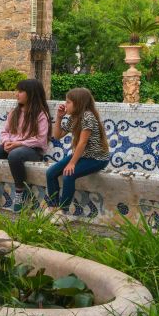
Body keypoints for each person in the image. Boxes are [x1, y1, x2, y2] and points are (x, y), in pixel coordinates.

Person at [0, 78, 51, 212]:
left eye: (21, 91)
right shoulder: (15, 112)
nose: (17, 94)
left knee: (15, 156)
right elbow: (5, 131)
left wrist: (18, 143)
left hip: (32, 150)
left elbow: (40, 139)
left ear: (31, 93)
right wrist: (6, 142)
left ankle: (21, 192)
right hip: (12, 146)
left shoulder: (41, 114)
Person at [45, 87, 111, 222]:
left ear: (78, 103)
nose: (65, 104)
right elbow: (57, 136)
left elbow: (82, 143)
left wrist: (72, 163)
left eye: (68, 102)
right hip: (83, 155)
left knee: (69, 174)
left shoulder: (88, 116)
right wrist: (59, 118)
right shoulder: (74, 117)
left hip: (96, 158)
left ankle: (62, 212)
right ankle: (53, 208)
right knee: (51, 172)